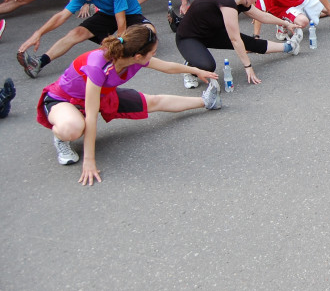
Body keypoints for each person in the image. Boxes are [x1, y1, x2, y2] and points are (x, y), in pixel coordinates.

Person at [36, 24, 221, 185]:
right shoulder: (98, 66)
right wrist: (89, 161)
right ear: (139, 55)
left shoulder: (134, 57)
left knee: (153, 101)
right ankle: (61, 138)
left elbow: (167, 67)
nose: (154, 55)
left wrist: (197, 71)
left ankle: (206, 101)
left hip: (102, 94)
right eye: (153, 52)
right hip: (63, 99)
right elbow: (92, 116)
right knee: (74, 128)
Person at [17, 0, 151, 79]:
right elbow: (61, 16)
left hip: (130, 13)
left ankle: (125, 50)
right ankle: (40, 62)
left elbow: (121, 22)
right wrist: (38, 33)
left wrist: (119, 45)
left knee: (150, 33)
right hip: (107, 14)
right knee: (77, 32)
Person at [178, 0, 301, 88]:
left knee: (251, 42)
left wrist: (286, 23)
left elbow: (262, 16)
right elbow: (235, 39)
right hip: (189, 37)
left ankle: (289, 47)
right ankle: (190, 68)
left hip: (211, 33)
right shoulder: (226, 3)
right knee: (208, 66)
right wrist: (248, 66)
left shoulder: (240, 0)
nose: (256, 1)